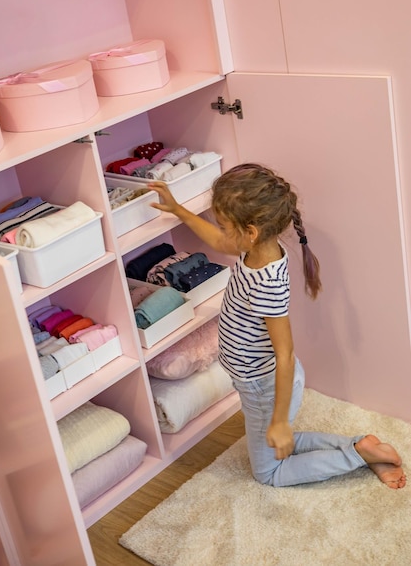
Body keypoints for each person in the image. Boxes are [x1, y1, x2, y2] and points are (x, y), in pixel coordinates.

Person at [148, 162, 406, 489]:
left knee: (269, 471)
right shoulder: (255, 249)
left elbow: (284, 354)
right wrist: (178, 210)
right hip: (256, 381)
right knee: (272, 440)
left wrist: (280, 420)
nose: (222, 232)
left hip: (264, 385)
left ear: (250, 231)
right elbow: (219, 241)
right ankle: (362, 446)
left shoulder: (266, 284)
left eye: (226, 225)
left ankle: (358, 455)